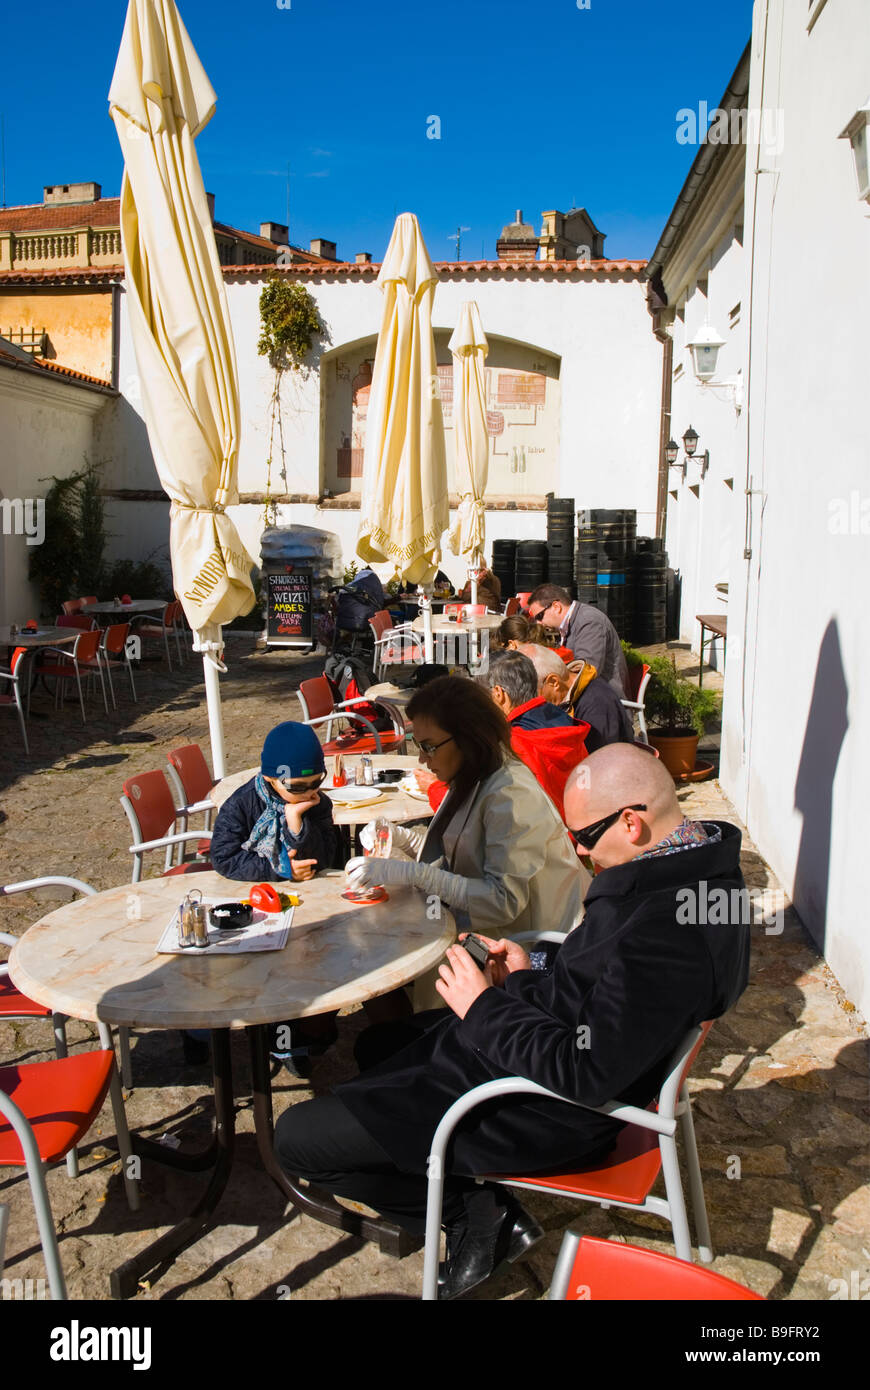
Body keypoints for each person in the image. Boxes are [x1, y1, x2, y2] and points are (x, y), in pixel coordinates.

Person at [275, 743, 751, 1299]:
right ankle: (458, 1192)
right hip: (532, 1055)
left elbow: (586, 1071)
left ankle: (475, 1215)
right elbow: (599, 993)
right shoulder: (697, 874)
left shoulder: (664, 930)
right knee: (381, 1042)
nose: (575, 847)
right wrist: (529, 974)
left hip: (547, 1110)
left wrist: (484, 1009)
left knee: (296, 1141)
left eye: (585, 836)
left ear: (632, 822)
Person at [344, 675, 582, 945]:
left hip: (527, 950)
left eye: (428, 747)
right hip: (488, 933)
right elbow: (464, 853)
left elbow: (503, 901)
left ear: (468, 738)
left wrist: (412, 874)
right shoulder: (473, 773)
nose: (422, 759)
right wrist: (400, 838)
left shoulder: (510, 795)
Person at [210, 721, 339, 883]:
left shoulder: (319, 803)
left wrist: (297, 828)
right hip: (256, 893)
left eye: (316, 783)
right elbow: (224, 859)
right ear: (270, 778)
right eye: (297, 787)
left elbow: (326, 856)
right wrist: (280, 869)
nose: (309, 793)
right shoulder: (240, 805)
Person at [476, 649, 589, 820]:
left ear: (498, 694)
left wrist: (436, 788)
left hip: (546, 841)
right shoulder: (565, 721)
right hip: (578, 830)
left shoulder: (513, 745)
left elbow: (488, 809)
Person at [518, 643, 635, 753]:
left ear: (553, 682)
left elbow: (601, 761)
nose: (529, 700)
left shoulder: (597, 705)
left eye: (532, 692)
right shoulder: (569, 695)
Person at [526, 583, 628, 696]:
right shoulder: (570, 623)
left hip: (603, 702)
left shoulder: (589, 621)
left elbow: (586, 670)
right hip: (587, 695)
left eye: (539, 617)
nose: (539, 623)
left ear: (556, 607)